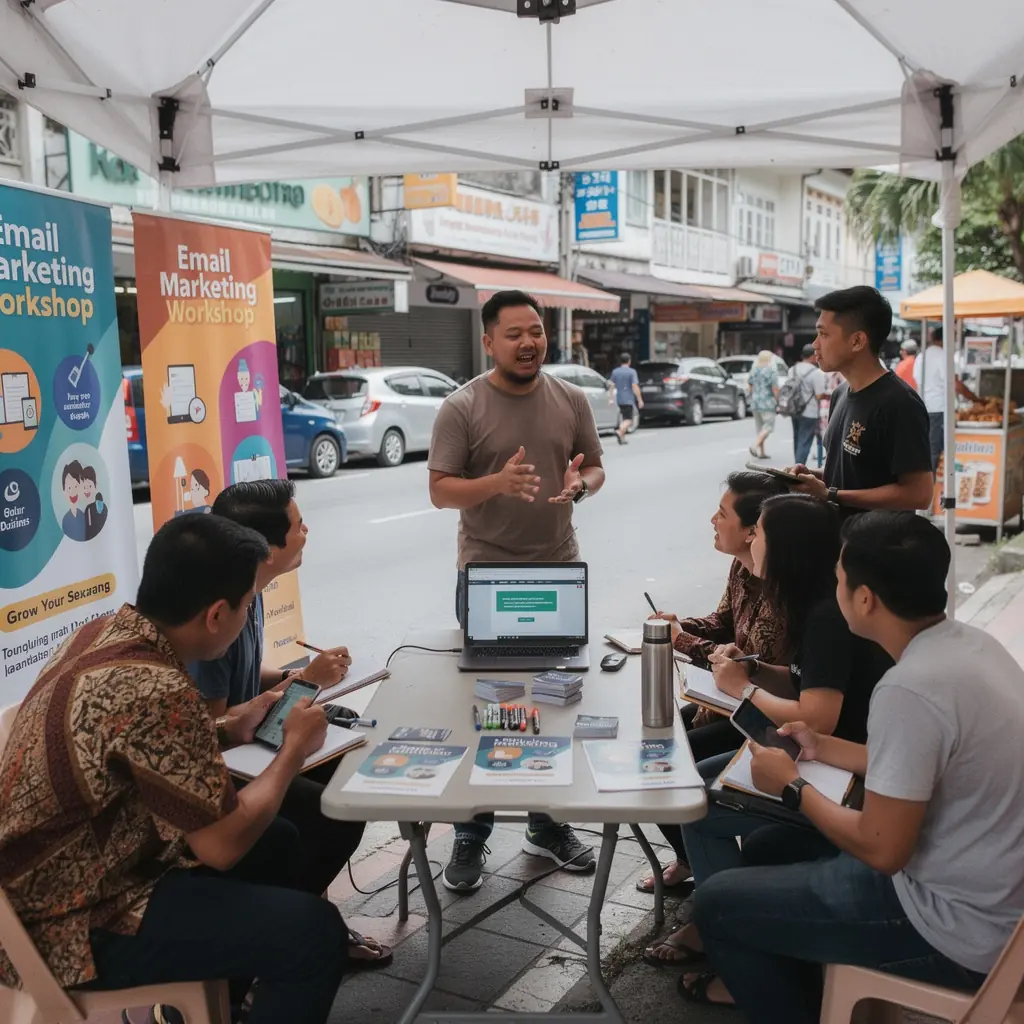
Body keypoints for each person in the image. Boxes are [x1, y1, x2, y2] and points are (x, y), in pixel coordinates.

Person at [0, 514, 348, 1024]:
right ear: (215, 615)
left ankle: (222, 1001)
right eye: (247, 606)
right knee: (314, 934)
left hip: (49, 883)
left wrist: (231, 726)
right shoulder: (156, 689)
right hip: (67, 925)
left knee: (277, 841)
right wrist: (294, 749)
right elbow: (223, 847)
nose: (248, 615)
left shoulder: (106, 631)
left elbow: (132, 746)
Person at [688, 512, 1024, 1024]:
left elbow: (883, 848)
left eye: (841, 578)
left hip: (954, 927)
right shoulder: (972, 646)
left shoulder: (909, 688)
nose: (835, 586)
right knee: (764, 848)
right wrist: (818, 745)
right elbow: (917, 763)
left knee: (716, 903)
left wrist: (793, 786)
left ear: (865, 598)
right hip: (989, 893)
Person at [643, 494, 893, 973]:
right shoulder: (805, 600)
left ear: (787, 548)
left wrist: (742, 689)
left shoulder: (825, 616)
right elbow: (804, 678)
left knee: (695, 802)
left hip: (836, 768)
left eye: (760, 531)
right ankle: (728, 923)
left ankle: (733, 936)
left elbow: (817, 716)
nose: (752, 538)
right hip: (818, 752)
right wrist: (755, 670)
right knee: (691, 784)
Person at [428, 289, 606, 891]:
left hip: (558, 570)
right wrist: (496, 483)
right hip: (487, 576)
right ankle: (471, 836)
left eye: (537, 330)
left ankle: (546, 824)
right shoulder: (462, 406)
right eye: (515, 334)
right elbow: (441, 490)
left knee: (552, 704)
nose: (529, 342)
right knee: (493, 708)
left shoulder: (572, 398)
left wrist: (582, 485)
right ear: (488, 341)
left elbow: (596, 468)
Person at [191, 480, 389, 965]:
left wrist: (291, 677)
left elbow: (243, 679)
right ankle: (294, 935)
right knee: (329, 812)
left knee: (349, 737)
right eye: (299, 526)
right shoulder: (212, 615)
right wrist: (301, 686)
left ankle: (307, 919)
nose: (307, 532)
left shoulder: (248, 590)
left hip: (247, 738)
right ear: (264, 548)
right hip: (228, 763)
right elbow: (214, 729)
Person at [635, 471, 788, 898]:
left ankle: (716, 881)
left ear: (755, 530)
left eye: (722, 514)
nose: (712, 520)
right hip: (723, 698)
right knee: (651, 742)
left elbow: (749, 661)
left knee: (665, 766)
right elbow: (725, 626)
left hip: (755, 712)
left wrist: (681, 639)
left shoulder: (781, 588)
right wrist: (678, 625)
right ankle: (693, 860)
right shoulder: (742, 569)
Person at [790, 286, 933, 516]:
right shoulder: (840, 393)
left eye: (824, 334)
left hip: (878, 546)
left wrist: (831, 495)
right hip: (841, 543)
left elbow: (919, 494)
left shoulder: (899, 403)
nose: (815, 344)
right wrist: (812, 478)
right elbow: (851, 474)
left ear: (857, 341)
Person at [913, 325, 982, 472]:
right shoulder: (943, 356)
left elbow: (917, 381)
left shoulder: (921, 356)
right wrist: (977, 400)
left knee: (928, 450)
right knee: (935, 451)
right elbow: (956, 385)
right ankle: (930, 490)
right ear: (947, 339)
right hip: (939, 409)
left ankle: (933, 487)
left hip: (924, 407)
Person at [788, 344, 828, 466]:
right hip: (809, 411)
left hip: (794, 409)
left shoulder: (792, 369)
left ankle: (796, 464)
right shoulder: (816, 372)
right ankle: (799, 467)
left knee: (797, 438)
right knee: (805, 440)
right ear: (812, 356)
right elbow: (819, 395)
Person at [748, 351, 779, 460]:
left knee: (760, 427)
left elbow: (750, 386)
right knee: (768, 427)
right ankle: (754, 445)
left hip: (756, 402)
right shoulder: (772, 371)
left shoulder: (754, 370)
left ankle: (762, 452)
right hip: (768, 402)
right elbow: (774, 388)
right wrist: (777, 400)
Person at [610, 351, 643, 445]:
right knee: (629, 420)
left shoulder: (615, 372)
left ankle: (622, 438)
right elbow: (634, 386)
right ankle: (620, 431)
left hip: (619, 399)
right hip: (628, 399)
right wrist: (640, 399)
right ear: (629, 361)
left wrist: (611, 398)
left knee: (624, 417)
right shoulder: (632, 372)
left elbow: (612, 385)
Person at [60, 460, 88, 541]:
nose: (73, 492)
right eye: (69, 488)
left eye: (76, 486)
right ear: (64, 490)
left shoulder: (84, 516)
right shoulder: (65, 521)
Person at [81, 465, 108, 539]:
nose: (86, 490)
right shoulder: (88, 508)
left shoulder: (89, 509)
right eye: (84, 487)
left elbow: (88, 532)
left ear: (95, 485)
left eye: (89, 486)